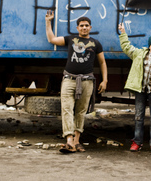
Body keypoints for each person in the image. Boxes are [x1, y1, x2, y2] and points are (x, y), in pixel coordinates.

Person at [45, 10, 108, 153]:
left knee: (81, 111)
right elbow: (52, 39)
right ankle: (69, 141)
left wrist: (105, 80)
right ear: (77, 28)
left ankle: (77, 141)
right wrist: (48, 21)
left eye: (86, 25)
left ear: (90, 28)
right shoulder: (70, 39)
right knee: (66, 108)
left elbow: (102, 62)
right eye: (81, 25)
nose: (84, 28)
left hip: (87, 81)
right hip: (69, 79)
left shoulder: (96, 43)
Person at [118, 23, 151, 153]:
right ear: (149, 46)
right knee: (138, 117)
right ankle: (137, 142)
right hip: (141, 90)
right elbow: (126, 47)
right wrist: (123, 33)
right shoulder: (139, 54)